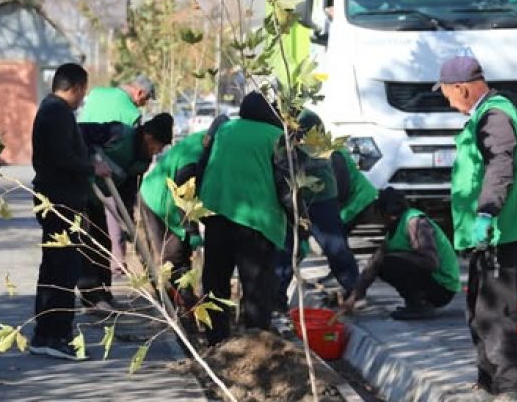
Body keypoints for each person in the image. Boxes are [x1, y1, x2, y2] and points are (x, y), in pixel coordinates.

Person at [436, 55, 517, 402]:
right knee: (477, 309)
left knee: (494, 314)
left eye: (447, 94)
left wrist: (487, 213)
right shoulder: (488, 114)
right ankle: (488, 384)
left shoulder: (495, 116)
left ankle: (513, 389)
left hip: (507, 232)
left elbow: (500, 165)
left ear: (463, 89)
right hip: (494, 236)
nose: (447, 102)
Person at [198, 91, 296, 345]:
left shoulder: (224, 130)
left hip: (217, 213)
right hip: (256, 220)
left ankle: (216, 340)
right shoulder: (276, 137)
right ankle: (256, 342)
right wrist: (299, 218)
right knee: (256, 285)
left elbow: (203, 165)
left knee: (216, 280)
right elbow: (287, 185)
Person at [29, 62, 111, 360]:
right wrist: (92, 167)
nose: (82, 98)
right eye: (83, 92)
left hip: (60, 199)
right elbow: (61, 157)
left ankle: (49, 332)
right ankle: (53, 334)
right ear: (75, 87)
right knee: (62, 269)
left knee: (57, 267)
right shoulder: (56, 113)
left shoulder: (54, 111)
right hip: (59, 202)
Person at [78, 113, 174, 310]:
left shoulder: (142, 161)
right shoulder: (118, 133)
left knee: (103, 241)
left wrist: (128, 223)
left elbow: (127, 192)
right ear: (148, 137)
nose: (158, 151)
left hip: (96, 198)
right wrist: (92, 164)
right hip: (78, 189)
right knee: (87, 242)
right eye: (158, 145)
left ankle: (104, 293)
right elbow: (78, 133)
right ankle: (92, 298)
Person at [138, 116, 229, 311]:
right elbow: (183, 193)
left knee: (183, 251)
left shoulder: (210, 144)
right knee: (173, 253)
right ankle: (172, 305)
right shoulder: (195, 153)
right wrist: (192, 230)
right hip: (158, 199)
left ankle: (184, 299)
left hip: (173, 202)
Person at [273, 110, 360, 311]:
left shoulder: (305, 119)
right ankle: (276, 298)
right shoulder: (284, 124)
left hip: (319, 196)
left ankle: (354, 290)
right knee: (287, 250)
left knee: (335, 247)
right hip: (296, 198)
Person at [342, 188, 460, 320]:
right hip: (432, 283)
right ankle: (415, 303)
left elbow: (431, 262)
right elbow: (374, 264)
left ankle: (418, 306)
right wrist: (355, 295)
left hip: (443, 287)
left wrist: (399, 256)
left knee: (389, 263)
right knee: (382, 263)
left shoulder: (415, 222)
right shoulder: (394, 229)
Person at [77, 74, 156, 269]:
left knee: (88, 225)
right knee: (113, 217)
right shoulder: (132, 114)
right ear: (139, 93)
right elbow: (134, 154)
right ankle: (117, 262)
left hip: (81, 162)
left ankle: (93, 269)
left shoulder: (96, 93)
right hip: (109, 173)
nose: (143, 105)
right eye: (145, 100)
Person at [78, 74, 155, 126]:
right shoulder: (134, 115)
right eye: (147, 98)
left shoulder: (95, 92)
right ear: (139, 93)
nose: (145, 103)